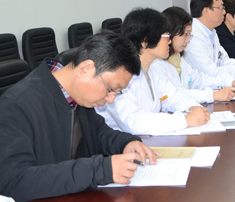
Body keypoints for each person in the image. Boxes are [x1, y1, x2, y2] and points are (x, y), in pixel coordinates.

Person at [0, 32, 159, 201]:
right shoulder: (17, 105)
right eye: (111, 89)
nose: (111, 99)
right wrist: (99, 170)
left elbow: (99, 133)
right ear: (86, 69)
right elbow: (12, 181)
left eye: (117, 92)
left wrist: (126, 143)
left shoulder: (78, 95)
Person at [96, 8, 211, 135]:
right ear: (145, 42)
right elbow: (134, 122)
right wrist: (185, 120)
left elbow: (172, 96)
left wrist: (192, 107)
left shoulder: (151, 69)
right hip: (124, 143)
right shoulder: (119, 75)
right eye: (166, 36)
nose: (170, 41)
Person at [150, 6, 235, 104]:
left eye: (189, 35)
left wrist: (229, 82)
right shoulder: (156, 64)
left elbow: (198, 80)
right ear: (171, 33)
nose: (188, 40)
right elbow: (174, 95)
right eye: (185, 34)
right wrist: (212, 95)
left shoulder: (178, 59)